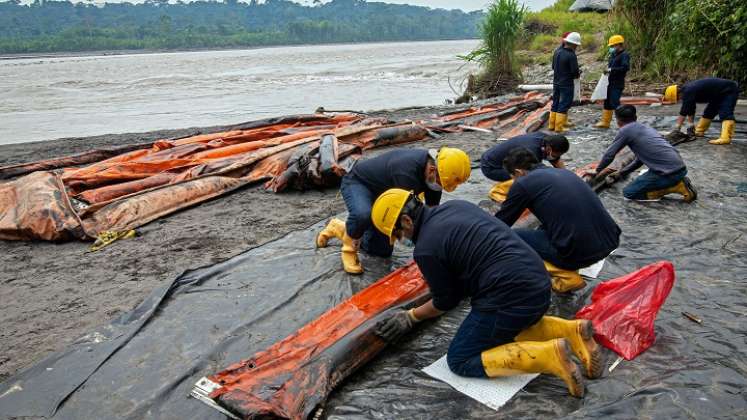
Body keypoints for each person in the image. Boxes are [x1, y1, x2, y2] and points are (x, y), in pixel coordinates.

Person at [370, 189, 603, 398]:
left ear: (406, 220)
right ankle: (573, 331)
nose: (402, 240)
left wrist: (411, 316)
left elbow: (446, 300)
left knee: (460, 359)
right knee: (502, 329)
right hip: (539, 283)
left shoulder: (426, 249)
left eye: (399, 234)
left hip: (512, 298)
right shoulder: (456, 206)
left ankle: (550, 357)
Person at [316, 147, 470, 274]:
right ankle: (348, 250)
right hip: (360, 184)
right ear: (431, 169)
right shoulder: (405, 172)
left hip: (387, 194)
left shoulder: (436, 177)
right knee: (363, 214)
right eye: (440, 182)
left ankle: (340, 228)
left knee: (380, 251)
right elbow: (404, 217)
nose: (439, 186)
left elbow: (430, 215)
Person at [495, 148, 620, 293]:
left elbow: (500, 223)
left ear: (518, 172)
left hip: (581, 254)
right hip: (610, 241)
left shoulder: (523, 183)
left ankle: (566, 276)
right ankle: (568, 264)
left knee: (510, 237)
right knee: (545, 226)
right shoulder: (564, 172)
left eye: (512, 176)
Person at [587, 105, 697, 202]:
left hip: (668, 173)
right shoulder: (645, 128)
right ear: (635, 118)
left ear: (618, 121)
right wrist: (622, 173)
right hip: (679, 168)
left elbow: (609, 155)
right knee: (639, 184)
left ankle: (676, 186)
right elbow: (639, 160)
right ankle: (676, 182)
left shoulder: (625, 131)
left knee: (629, 193)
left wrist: (597, 171)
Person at [480, 132, 570, 202]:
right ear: (549, 149)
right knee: (529, 178)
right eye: (557, 154)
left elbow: (556, 160)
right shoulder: (532, 151)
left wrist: (567, 177)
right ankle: (498, 191)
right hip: (491, 167)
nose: (557, 157)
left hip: (499, 159)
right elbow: (532, 175)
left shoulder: (546, 140)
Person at [663, 77, 739, 145]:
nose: (679, 100)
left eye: (677, 99)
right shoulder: (688, 90)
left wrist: (677, 127)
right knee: (709, 112)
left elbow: (684, 110)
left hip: (729, 90)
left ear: (676, 94)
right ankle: (699, 131)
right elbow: (690, 108)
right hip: (717, 94)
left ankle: (725, 138)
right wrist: (690, 124)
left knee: (725, 112)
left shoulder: (688, 91)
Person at [595, 35, 630, 129]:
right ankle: (605, 122)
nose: (611, 48)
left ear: (619, 45)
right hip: (609, 82)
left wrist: (611, 70)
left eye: (613, 46)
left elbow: (625, 68)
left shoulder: (624, 55)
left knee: (615, 103)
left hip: (617, 83)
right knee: (607, 102)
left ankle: (624, 123)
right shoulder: (613, 55)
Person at [550, 32, 581, 133]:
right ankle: (559, 127)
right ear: (573, 44)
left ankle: (552, 125)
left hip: (556, 82)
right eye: (576, 45)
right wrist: (578, 74)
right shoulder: (571, 55)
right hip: (566, 83)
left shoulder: (557, 51)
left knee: (555, 102)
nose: (576, 47)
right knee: (565, 103)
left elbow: (553, 67)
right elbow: (575, 72)